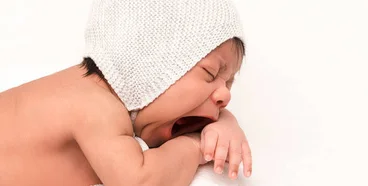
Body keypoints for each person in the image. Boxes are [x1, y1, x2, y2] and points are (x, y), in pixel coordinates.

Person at [0, 0, 252, 185]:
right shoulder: (93, 106)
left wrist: (226, 125)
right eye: (210, 73)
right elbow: (140, 181)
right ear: (151, 63)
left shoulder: (114, 108)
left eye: (229, 83)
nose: (225, 96)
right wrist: (198, 147)